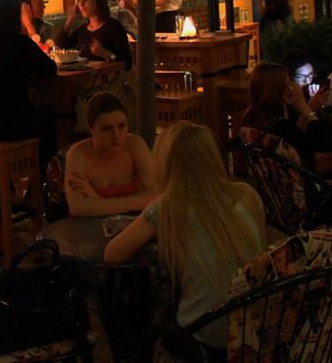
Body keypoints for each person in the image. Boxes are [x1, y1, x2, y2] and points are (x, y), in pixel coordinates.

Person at [103, 122, 265, 349]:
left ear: (165, 164)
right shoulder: (247, 195)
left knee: (148, 313)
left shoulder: (167, 207)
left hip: (205, 343)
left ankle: (136, 362)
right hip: (255, 335)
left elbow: (112, 253)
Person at [0, 0, 58, 167]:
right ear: (16, 14)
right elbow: (50, 69)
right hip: (12, 124)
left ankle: (10, 176)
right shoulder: (20, 43)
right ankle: (42, 178)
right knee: (49, 118)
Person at [240, 62, 332, 183]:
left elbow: (296, 137)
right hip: (300, 174)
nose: (292, 86)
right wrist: (305, 108)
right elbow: (327, 145)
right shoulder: (279, 123)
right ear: (280, 91)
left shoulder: (253, 118)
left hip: (286, 175)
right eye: (288, 83)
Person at [63, 92, 158, 217]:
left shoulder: (135, 145)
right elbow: (78, 208)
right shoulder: (78, 154)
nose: (116, 135)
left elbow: (156, 197)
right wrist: (138, 202)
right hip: (88, 226)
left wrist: (95, 200)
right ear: (91, 129)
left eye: (121, 126)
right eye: (107, 129)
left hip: (132, 224)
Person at [63, 0, 132, 70]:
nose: (81, 5)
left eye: (86, 0)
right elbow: (61, 46)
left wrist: (106, 54)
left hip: (107, 77)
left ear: (98, 0)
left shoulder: (114, 27)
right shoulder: (82, 29)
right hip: (85, 76)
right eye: (79, 1)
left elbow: (127, 63)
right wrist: (70, 19)